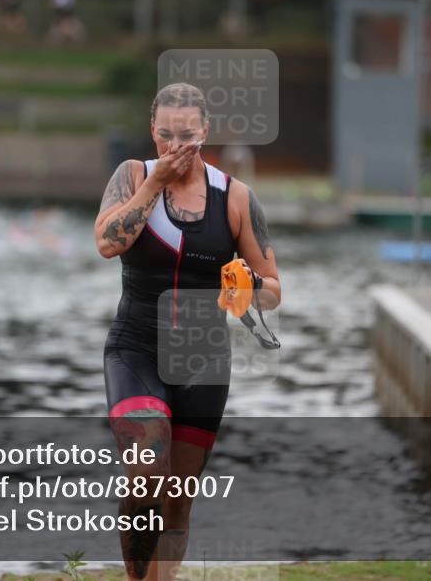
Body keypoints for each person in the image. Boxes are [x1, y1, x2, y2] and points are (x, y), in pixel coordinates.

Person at [95, 82, 281, 580]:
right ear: (152, 132)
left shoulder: (236, 198)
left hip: (202, 356)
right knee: (145, 472)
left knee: (177, 500)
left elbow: (274, 290)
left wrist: (248, 284)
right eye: (163, 135)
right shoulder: (132, 175)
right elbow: (107, 242)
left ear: (205, 132)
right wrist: (154, 185)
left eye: (186, 135)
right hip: (136, 347)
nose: (174, 146)